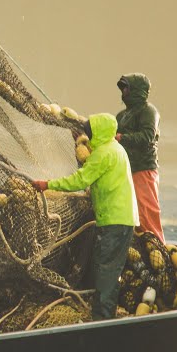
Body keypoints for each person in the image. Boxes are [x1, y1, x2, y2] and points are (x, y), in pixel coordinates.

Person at [32, 114, 138, 321]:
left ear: (98, 132)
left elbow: (80, 180)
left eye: (90, 132)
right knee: (104, 266)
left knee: (107, 271)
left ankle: (102, 320)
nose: (88, 135)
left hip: (115, 220)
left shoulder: (103, 153)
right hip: (120, 218)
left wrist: (47, 185)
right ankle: (103, 314)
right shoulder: (114, 148)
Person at [115, 73, 163, 243]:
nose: (124, 91)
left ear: (137, 90)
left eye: (127, 88)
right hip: (124, 170)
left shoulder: (149, 111)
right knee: (130, 213)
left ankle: (157, 246)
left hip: (143, 168)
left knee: (146, 212)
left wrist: (122, 138)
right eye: (123, 88)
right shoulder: (121, 115)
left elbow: (147, 136)